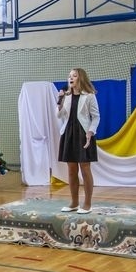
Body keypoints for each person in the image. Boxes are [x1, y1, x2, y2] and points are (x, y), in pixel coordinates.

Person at [57, 68, 100, 214]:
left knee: (85, 168)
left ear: (80, 78)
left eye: (74, 76)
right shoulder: (67, 96)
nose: (71, 78)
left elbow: (96, 116)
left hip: (83, 133)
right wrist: (60, 102)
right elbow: (60, 115)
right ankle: (74, 202)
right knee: (71, 169)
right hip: (68, 133)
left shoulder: (89, 96)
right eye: (69, 76)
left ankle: (87, 203)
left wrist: (90, 131)